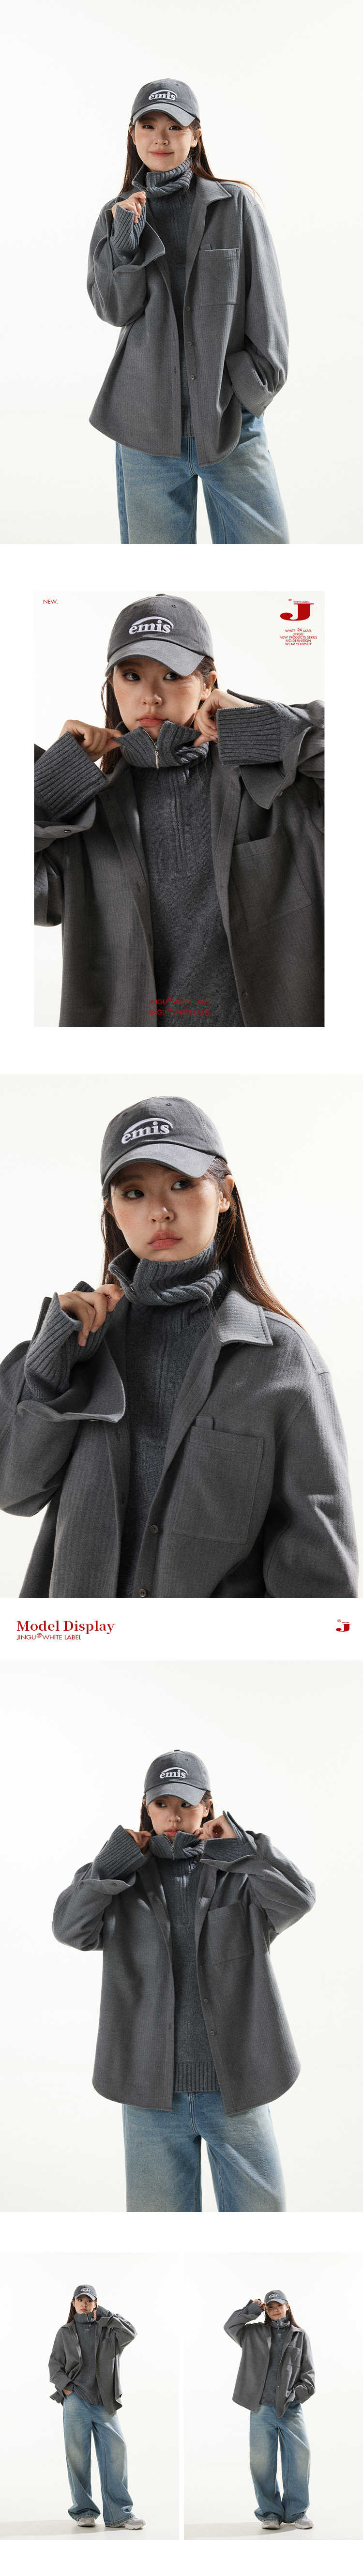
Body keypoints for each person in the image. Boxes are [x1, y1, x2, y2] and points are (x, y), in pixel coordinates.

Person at [0, 1092, 357, 1598]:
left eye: (182, 1184)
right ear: (112, 1211)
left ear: (225, 1194)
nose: (160, 1212)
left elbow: (318, 1570)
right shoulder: (80, 1342)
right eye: (134, 1193)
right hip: (81, 1643)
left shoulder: (280, 1358)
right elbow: (13, 1492)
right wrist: (49, 1362)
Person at [34, 592, 324, 1030]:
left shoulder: (278, 787)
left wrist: (264, 725)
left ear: (209, 684)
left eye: (172, 675)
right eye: (132, 676)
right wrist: (51, 781)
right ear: (112, 685)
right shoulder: (87, 814)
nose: (150, 697)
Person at [52, 1747, 316, 2213]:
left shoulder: (238, 1874)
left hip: (239, 2084)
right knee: (161, 2233)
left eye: (186, 1803)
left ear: (208, 1806)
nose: (173, 1816)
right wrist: (109, 1865)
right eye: (162, 1804)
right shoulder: (121, 1880)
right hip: (150, 2092)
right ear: (147, 1807)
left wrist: (243, 1847)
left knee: (263, 2226)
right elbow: (71, 1929)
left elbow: (298, 1899)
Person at [87, 77, 289, 546]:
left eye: (175, 127)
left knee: (269, 557)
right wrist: (125, 242)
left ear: (196, 135)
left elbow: (268, 307)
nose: (161, 138)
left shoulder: (235, 205)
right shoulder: (116, 214)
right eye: (149, 126)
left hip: (229, 422)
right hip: (144, 430)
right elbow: (115, 310)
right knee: (157, 570)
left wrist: (251, 393)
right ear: (133, 135)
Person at [48, 2280, 144, 2529]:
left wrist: (103, 2314)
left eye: (89, 2300)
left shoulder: (108, 2330)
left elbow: (131, 2332)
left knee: (116, 2453)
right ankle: (84, 2511)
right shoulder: (65, 2332)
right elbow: (54, 2366)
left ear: (96, 2303)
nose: (84, 2304)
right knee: (78, 2457)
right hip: (75, 2400)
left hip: (104, 2401)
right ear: (73, 2303)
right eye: (80, 2300)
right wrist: (67, 2388)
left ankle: (119, 2515)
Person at [225, 2287, 315, 2529]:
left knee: (300, 2458)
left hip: (290, 2409)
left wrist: (295, 2396)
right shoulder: (252, 2333)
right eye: (271, 2307)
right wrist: (252, 2309)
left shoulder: (300, 2336)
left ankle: (297, 2513)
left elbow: (309, 2376)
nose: (275, 2310)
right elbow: (230, 2326)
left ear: (287, 2307)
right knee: (262, 2463)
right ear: (266, 2310)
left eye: (279, 2306)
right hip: (260, 2409)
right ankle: (270, 2513)